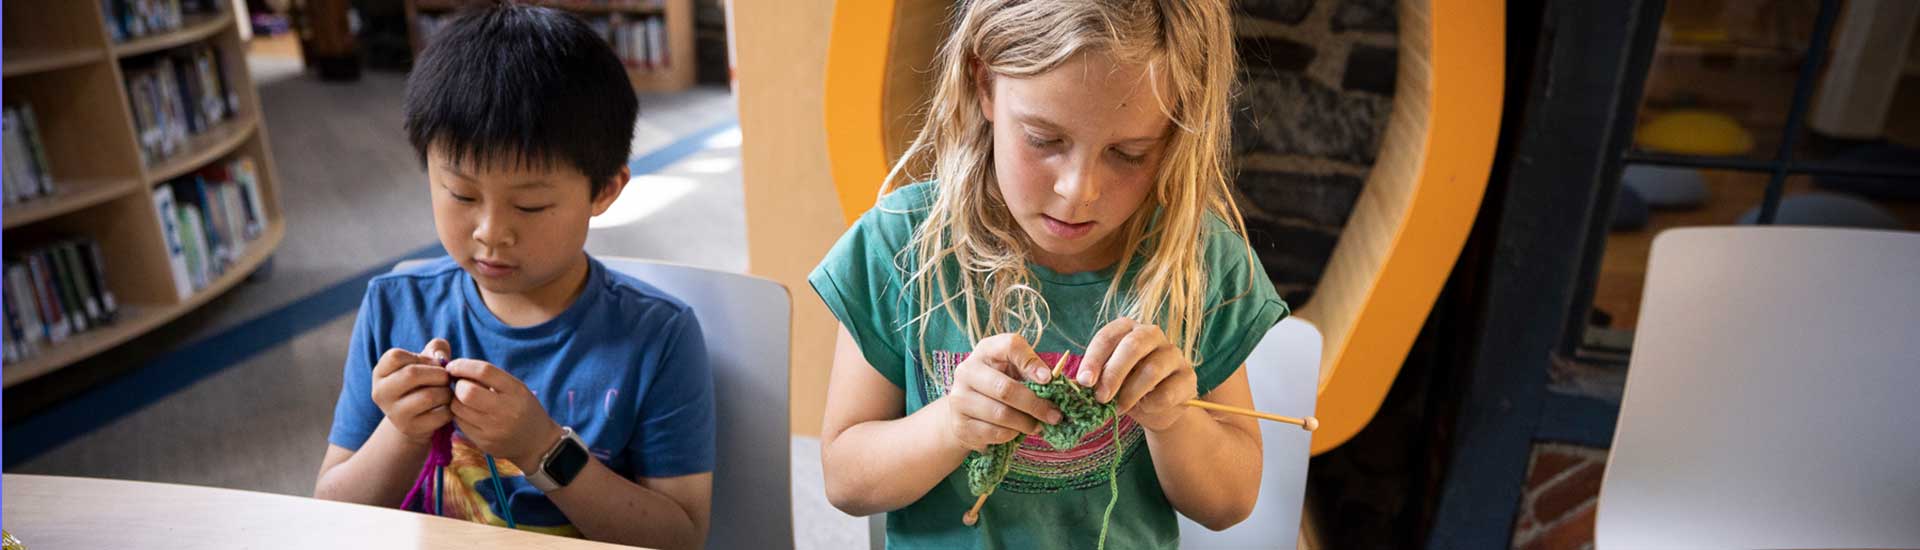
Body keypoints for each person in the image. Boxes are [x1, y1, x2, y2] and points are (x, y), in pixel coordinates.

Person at [810, 0, 1288, 548]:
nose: (1078, 191)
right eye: (1044, 140)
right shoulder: (900, 246)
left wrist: (1174, 420)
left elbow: (1230, 502)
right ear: (983, 83)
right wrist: (951, 425)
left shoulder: (1199, 261)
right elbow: (844, 478)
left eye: (1128, 154)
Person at [312, 5, 712, 549]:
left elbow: (681, 537)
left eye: (530, 206)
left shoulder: (659, 336)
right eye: (461, 195)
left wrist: (541, 449)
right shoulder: (393, 308)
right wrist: (403, 432)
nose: (490, 232)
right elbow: (329, 515)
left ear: (605, 191)